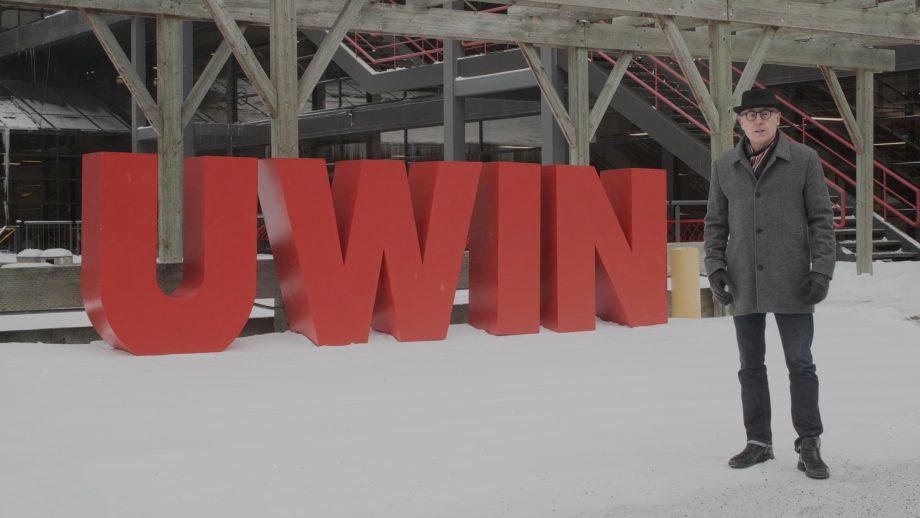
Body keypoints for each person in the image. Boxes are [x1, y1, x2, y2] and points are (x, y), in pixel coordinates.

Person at [703, 88, 837, 480]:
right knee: (750, 365)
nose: (758, 120)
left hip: (794, 279)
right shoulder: (725, 165)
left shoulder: (804, 160)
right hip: (743, 278)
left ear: (779, 118)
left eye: (765, 113)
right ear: (739, 122)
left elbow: (821, 219)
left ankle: (809, 442)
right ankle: (758, 441)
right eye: (749, 115)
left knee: (800, 363)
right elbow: (715, 224)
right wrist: (714, 267)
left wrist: (822, 270)